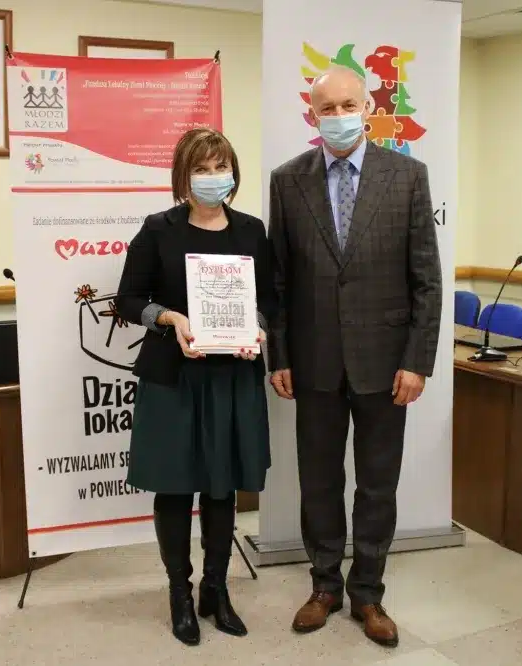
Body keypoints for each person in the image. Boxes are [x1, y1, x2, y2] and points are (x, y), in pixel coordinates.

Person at [266, 65, 442, 648]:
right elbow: (279, 281)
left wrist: (417, 360)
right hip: (313, 360)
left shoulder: (407, 176)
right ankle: (324, 586)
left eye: (348, 105)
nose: (338, 116)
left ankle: (368, 592)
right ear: (312, 115)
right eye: (327, 108)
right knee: (318, 482)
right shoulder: (288, 181)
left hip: (386, 363)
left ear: (368, 108)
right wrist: (279, 356)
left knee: (376, 485)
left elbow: (426, 279)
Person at [116, 128, 276, 646]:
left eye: (220, 167)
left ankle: (216, 590)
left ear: (233, 172)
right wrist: (169, 318)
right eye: (201, 169)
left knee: (221, 485)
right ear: (183, 177)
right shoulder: (158, 229)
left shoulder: (251, 231)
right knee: (175, 485)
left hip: (232, 374)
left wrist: (256, 327)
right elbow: (127, 300)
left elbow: (269, 300)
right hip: (174, 376)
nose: (213, 177)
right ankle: (179, 594)